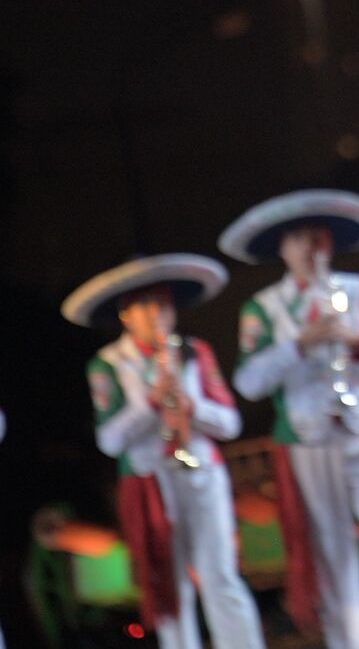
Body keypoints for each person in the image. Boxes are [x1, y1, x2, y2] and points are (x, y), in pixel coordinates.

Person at [222, 190, 359, 649]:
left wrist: (357, 342)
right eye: (297, 239)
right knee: (335, 557)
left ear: (329, 244)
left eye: (316, 238)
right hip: (309, 438)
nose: (308, 248)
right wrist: (298, 343)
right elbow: (250, 383)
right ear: (282, 248)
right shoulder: (265, 307)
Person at [62, 255, 265, 649]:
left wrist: (193, 407)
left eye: (163, 305)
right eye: (145, 306)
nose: (157, 315)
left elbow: (230, 423)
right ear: (126, 315)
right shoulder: (109, 364)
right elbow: (110, 441)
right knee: (170, 586)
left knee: (221, 575)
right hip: (152, 479)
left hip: (202, 472)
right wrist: (150, 403)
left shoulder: (194, 352)